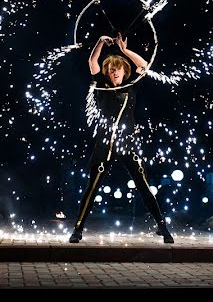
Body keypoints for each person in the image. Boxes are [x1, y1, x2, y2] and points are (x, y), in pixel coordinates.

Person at [68, 33, 174, 244]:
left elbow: (144, 65)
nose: (114, 71)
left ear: (125, 71)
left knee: (143, 185)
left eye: (118, 68)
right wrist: (100, 42)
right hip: (105, 143)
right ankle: (78, 229)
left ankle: (162, 226)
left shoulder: (131, 85)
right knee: (93, 186)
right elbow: (92, 61)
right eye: (111, 69)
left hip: (128, 143)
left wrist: (124, 50)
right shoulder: (101, 86)